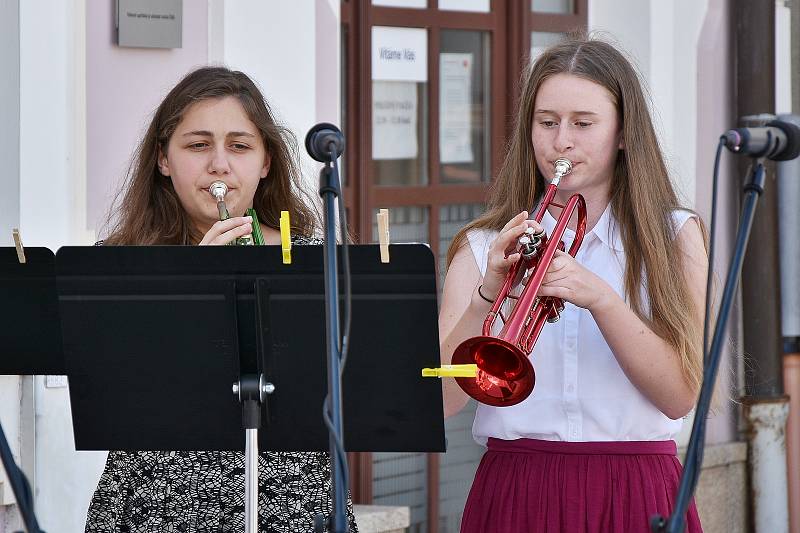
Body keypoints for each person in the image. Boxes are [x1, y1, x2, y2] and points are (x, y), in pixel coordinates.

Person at [439, 34, 706, 533]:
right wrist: (487, 297)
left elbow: (680, 396)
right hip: (517, 487)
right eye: (547, 122)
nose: (561, 141)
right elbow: (439, 402)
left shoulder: (674, 237)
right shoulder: (483, 246)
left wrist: (600, 298)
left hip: (636, 486)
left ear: (624, 134)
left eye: (583, 124)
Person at [85, 66, 358, 533]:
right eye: (197, 145)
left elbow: (352, 384)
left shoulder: (319, 257)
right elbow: (112, 389)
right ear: (163, 160)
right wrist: (197, 282)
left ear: (266, 161)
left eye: (239, 145)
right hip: (155, 501)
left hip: (293, 502)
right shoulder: (119, 264)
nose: (219, 165)